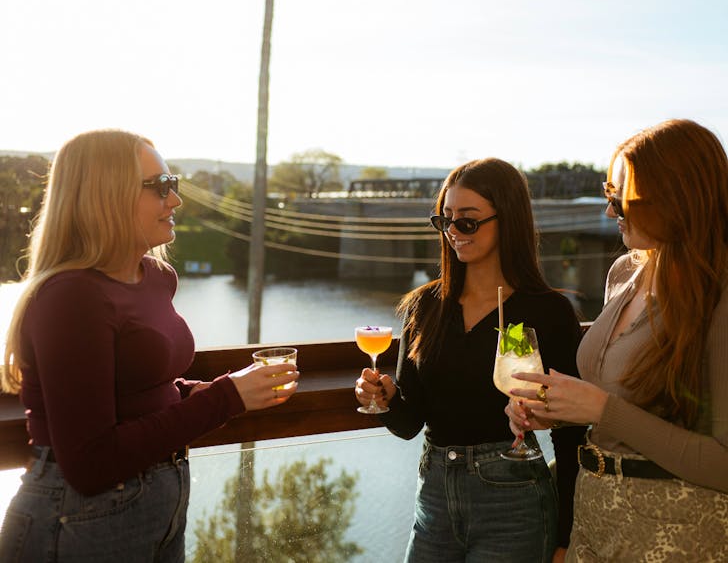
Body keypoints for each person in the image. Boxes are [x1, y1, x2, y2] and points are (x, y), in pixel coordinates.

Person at [0, 129, 299, 562]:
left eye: (172, 183)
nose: (175, 200)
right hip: (79, 523)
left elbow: (134, 384)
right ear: (107, 196)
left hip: (160, 508)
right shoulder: (72, 297)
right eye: (161, 187)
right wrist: (225, 398)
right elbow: (89, 464)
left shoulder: (155, 278)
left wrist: (185, 392)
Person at [507, 118, 728, 561]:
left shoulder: (720, 296)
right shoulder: (625, 272)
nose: (610, 212)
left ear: (677, 199)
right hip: (593, 516)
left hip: (678, 534)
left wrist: (602, 410)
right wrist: (559, 411)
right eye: (610, 195)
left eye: (621, 200)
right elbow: (619, 399)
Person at [355, 158, 587, 562]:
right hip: (434, 496)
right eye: (445, 220)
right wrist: (384, 399)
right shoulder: (425, 306)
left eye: (467, 221)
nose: (453, 233)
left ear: (508, 220)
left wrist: (566, 536)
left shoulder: (548, 312)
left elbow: (570, 437)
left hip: (514, 503)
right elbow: (411, 424)